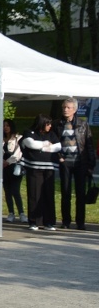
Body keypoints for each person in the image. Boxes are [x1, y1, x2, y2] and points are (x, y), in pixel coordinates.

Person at [56, 97, 95, 230]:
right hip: (65, 162)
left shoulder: (82, 124)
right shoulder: (58, 124)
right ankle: (66, 221)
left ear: (75, 109)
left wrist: (91, 164)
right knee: (65, 192)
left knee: (80, 193)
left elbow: (89, 144)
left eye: (68, 107)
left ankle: (80, 222)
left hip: (80, 162)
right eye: (64, 107)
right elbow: (54, 143)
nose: (65, 110)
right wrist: (59, 156)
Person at [21, 115, 61, 231]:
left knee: (48, 194)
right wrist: (45, 144)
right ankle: (34, 222)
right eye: (48, 124)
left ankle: (48, 222)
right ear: (41, 123)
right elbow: (30, 144)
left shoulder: (52, 134)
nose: (50, 126)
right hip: (34, 168)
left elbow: (58, 146)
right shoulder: (29, 132)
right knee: (34, 194)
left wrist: (42, 147)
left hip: (49, 168)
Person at [0, 118, 25, 223]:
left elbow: (19, 152)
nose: (5, 128)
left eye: (7, 125)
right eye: (4, 126)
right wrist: (1, 161)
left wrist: (9, 161)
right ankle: (11, 213)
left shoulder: (18, 138)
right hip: (4, 168)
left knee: (15, 190)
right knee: (7, 191)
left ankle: (21, 213)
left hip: (15, 167)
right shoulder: (0, 139)